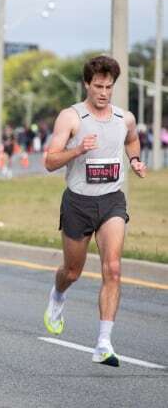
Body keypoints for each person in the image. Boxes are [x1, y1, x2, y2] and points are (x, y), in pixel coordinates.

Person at [43, 55, 146, 367]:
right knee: (72, 271)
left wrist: (135, 160)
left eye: (109, 87)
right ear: (86, 84)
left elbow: (132, 139)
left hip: (111, 200)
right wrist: (78, 149)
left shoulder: (123, 117)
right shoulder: (71, 118)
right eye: (98, 86)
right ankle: (57, 296)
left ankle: (103, 343)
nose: (103, 92)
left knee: (112, 268)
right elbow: (49, 161)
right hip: (78, 203)